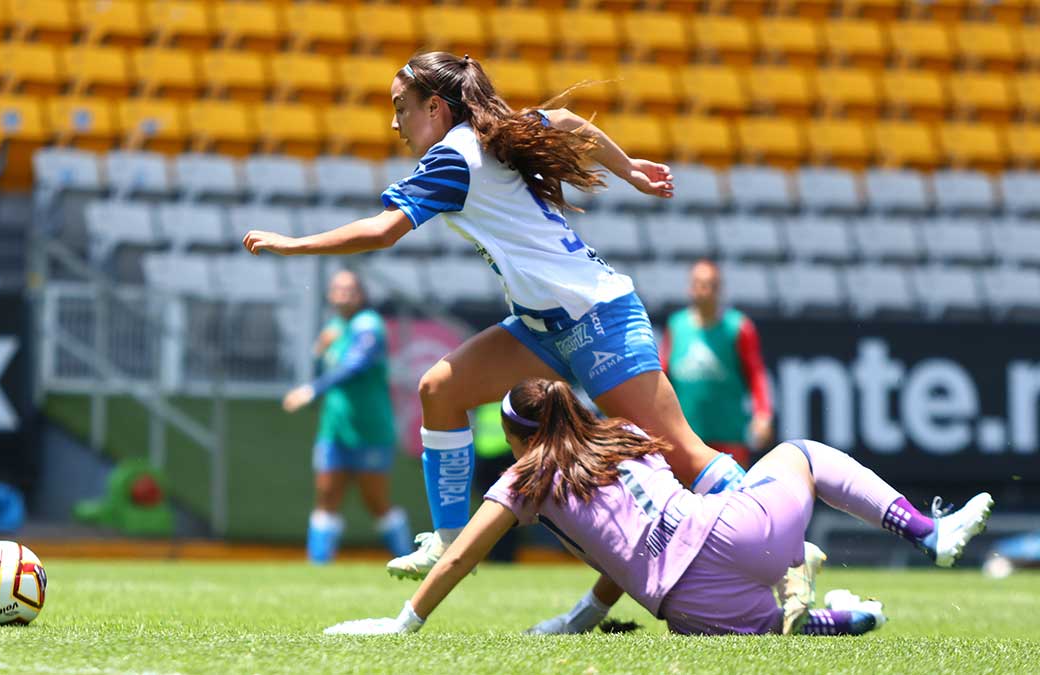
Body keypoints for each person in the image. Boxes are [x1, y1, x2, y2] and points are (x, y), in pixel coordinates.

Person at [244, 51, 742, 579]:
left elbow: (383, 230)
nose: (394, 123)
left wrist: (294, 244)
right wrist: (631, 171)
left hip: (596, 318)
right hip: (543, 326)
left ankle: (781, 539)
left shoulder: (452, 158)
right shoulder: (493, 133)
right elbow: (571, 123)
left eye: (400, 107)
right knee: (440, 389)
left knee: (683, 454)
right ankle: (450, 541)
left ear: (434, 107)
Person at [324, 378, 995, 636]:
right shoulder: (620, 436)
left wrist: (403, 623)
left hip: (682, 605)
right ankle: (921, 533)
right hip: (728, 536)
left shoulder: (530, 471)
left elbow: (467, 547)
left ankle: (845, 612)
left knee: (767, 634)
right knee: (802, 453)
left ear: (523, 434)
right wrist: (582, 614)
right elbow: (630, 529)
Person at [281, 269, 414, 563]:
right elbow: (328, 371)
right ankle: (318, 565)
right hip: (334, 427)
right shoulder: (334, 329)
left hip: (369, 427)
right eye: (338, 288)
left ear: (362, 295)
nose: (343, 293)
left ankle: (409, 559)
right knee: (326, 496)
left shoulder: (368, 325)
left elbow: (356, 365)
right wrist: (319, 354)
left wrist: (312, 390)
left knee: (376, 502)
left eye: (350, 288)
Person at [661, 259, 773, 471]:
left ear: (719, 289)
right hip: (687, 437)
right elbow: (663, 374)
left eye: (709, 284)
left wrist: (762, 414)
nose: (703, 290)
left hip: (728, 435)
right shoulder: (677, 326)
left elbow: (756, 374)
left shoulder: (738, 327)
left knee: (732, 500)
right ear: (690, 287)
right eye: (698, 283)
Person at [472, 402, 521, 563]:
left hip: (503, 453)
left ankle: (503, 556)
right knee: (495, 508)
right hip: (488, 455)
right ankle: (497, 556)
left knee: (507, 510)